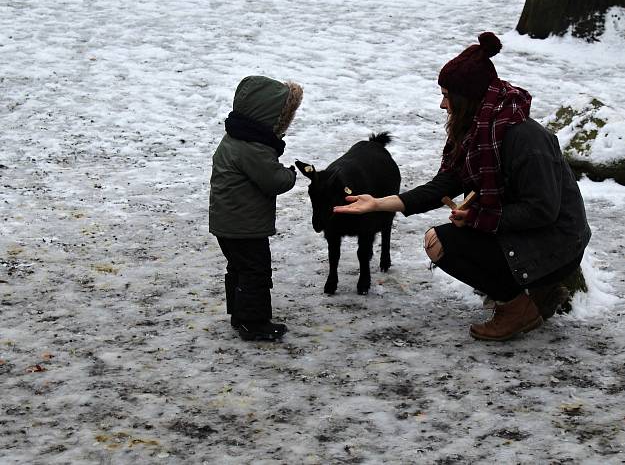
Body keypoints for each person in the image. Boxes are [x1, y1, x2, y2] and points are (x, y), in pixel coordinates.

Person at [333, 32, 591, 342]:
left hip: (559, 242)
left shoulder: (525, 138)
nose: (442, 104)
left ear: (467, 98)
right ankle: (535, 295)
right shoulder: (477, 132)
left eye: (446, 95)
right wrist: (378, 204)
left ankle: (517, 307)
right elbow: (441, 185)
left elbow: (542, 210)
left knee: (439, 243)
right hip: (526, 231)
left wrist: (478, 218)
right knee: (446, 238)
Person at [209, 75, 302, 341]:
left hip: (227, 223)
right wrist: (290, 174)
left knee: (238, 268)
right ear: (268, 116)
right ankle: (254, 323)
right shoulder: (253, 148)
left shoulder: (234, 140)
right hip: (245, 227)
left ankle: (240, 315)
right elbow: (274, 180)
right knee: (255, 271)